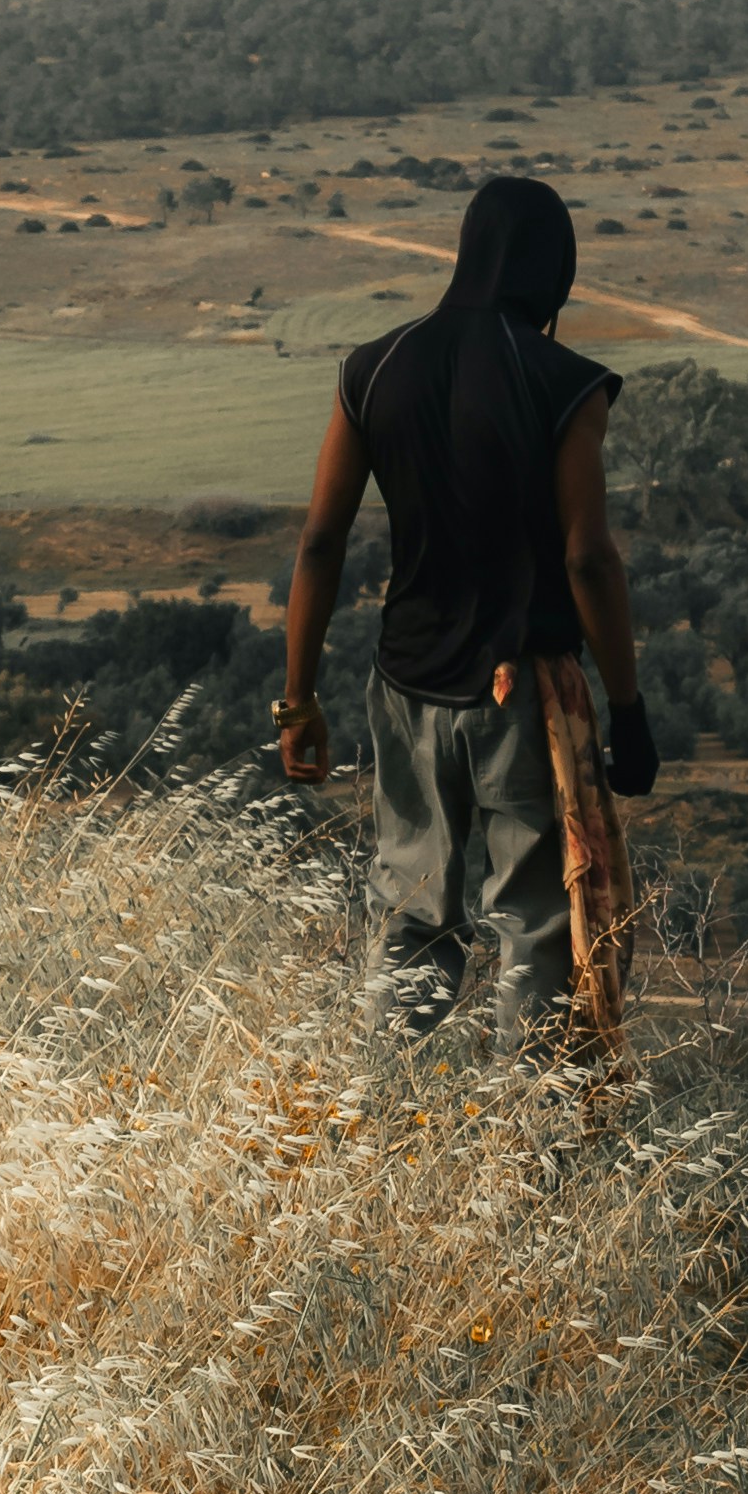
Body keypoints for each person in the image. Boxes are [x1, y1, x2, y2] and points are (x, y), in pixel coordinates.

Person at [276, 175, 660, 1041]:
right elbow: (589, 559)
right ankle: (526, 1118)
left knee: (412, 913)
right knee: (538, 926)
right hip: (520, 694)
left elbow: (320, 543)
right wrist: (629, 711)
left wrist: (297, 701)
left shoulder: (374, 368)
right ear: (554, 273)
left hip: (404, 685)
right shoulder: (566, 384)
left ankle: (377, 1094)